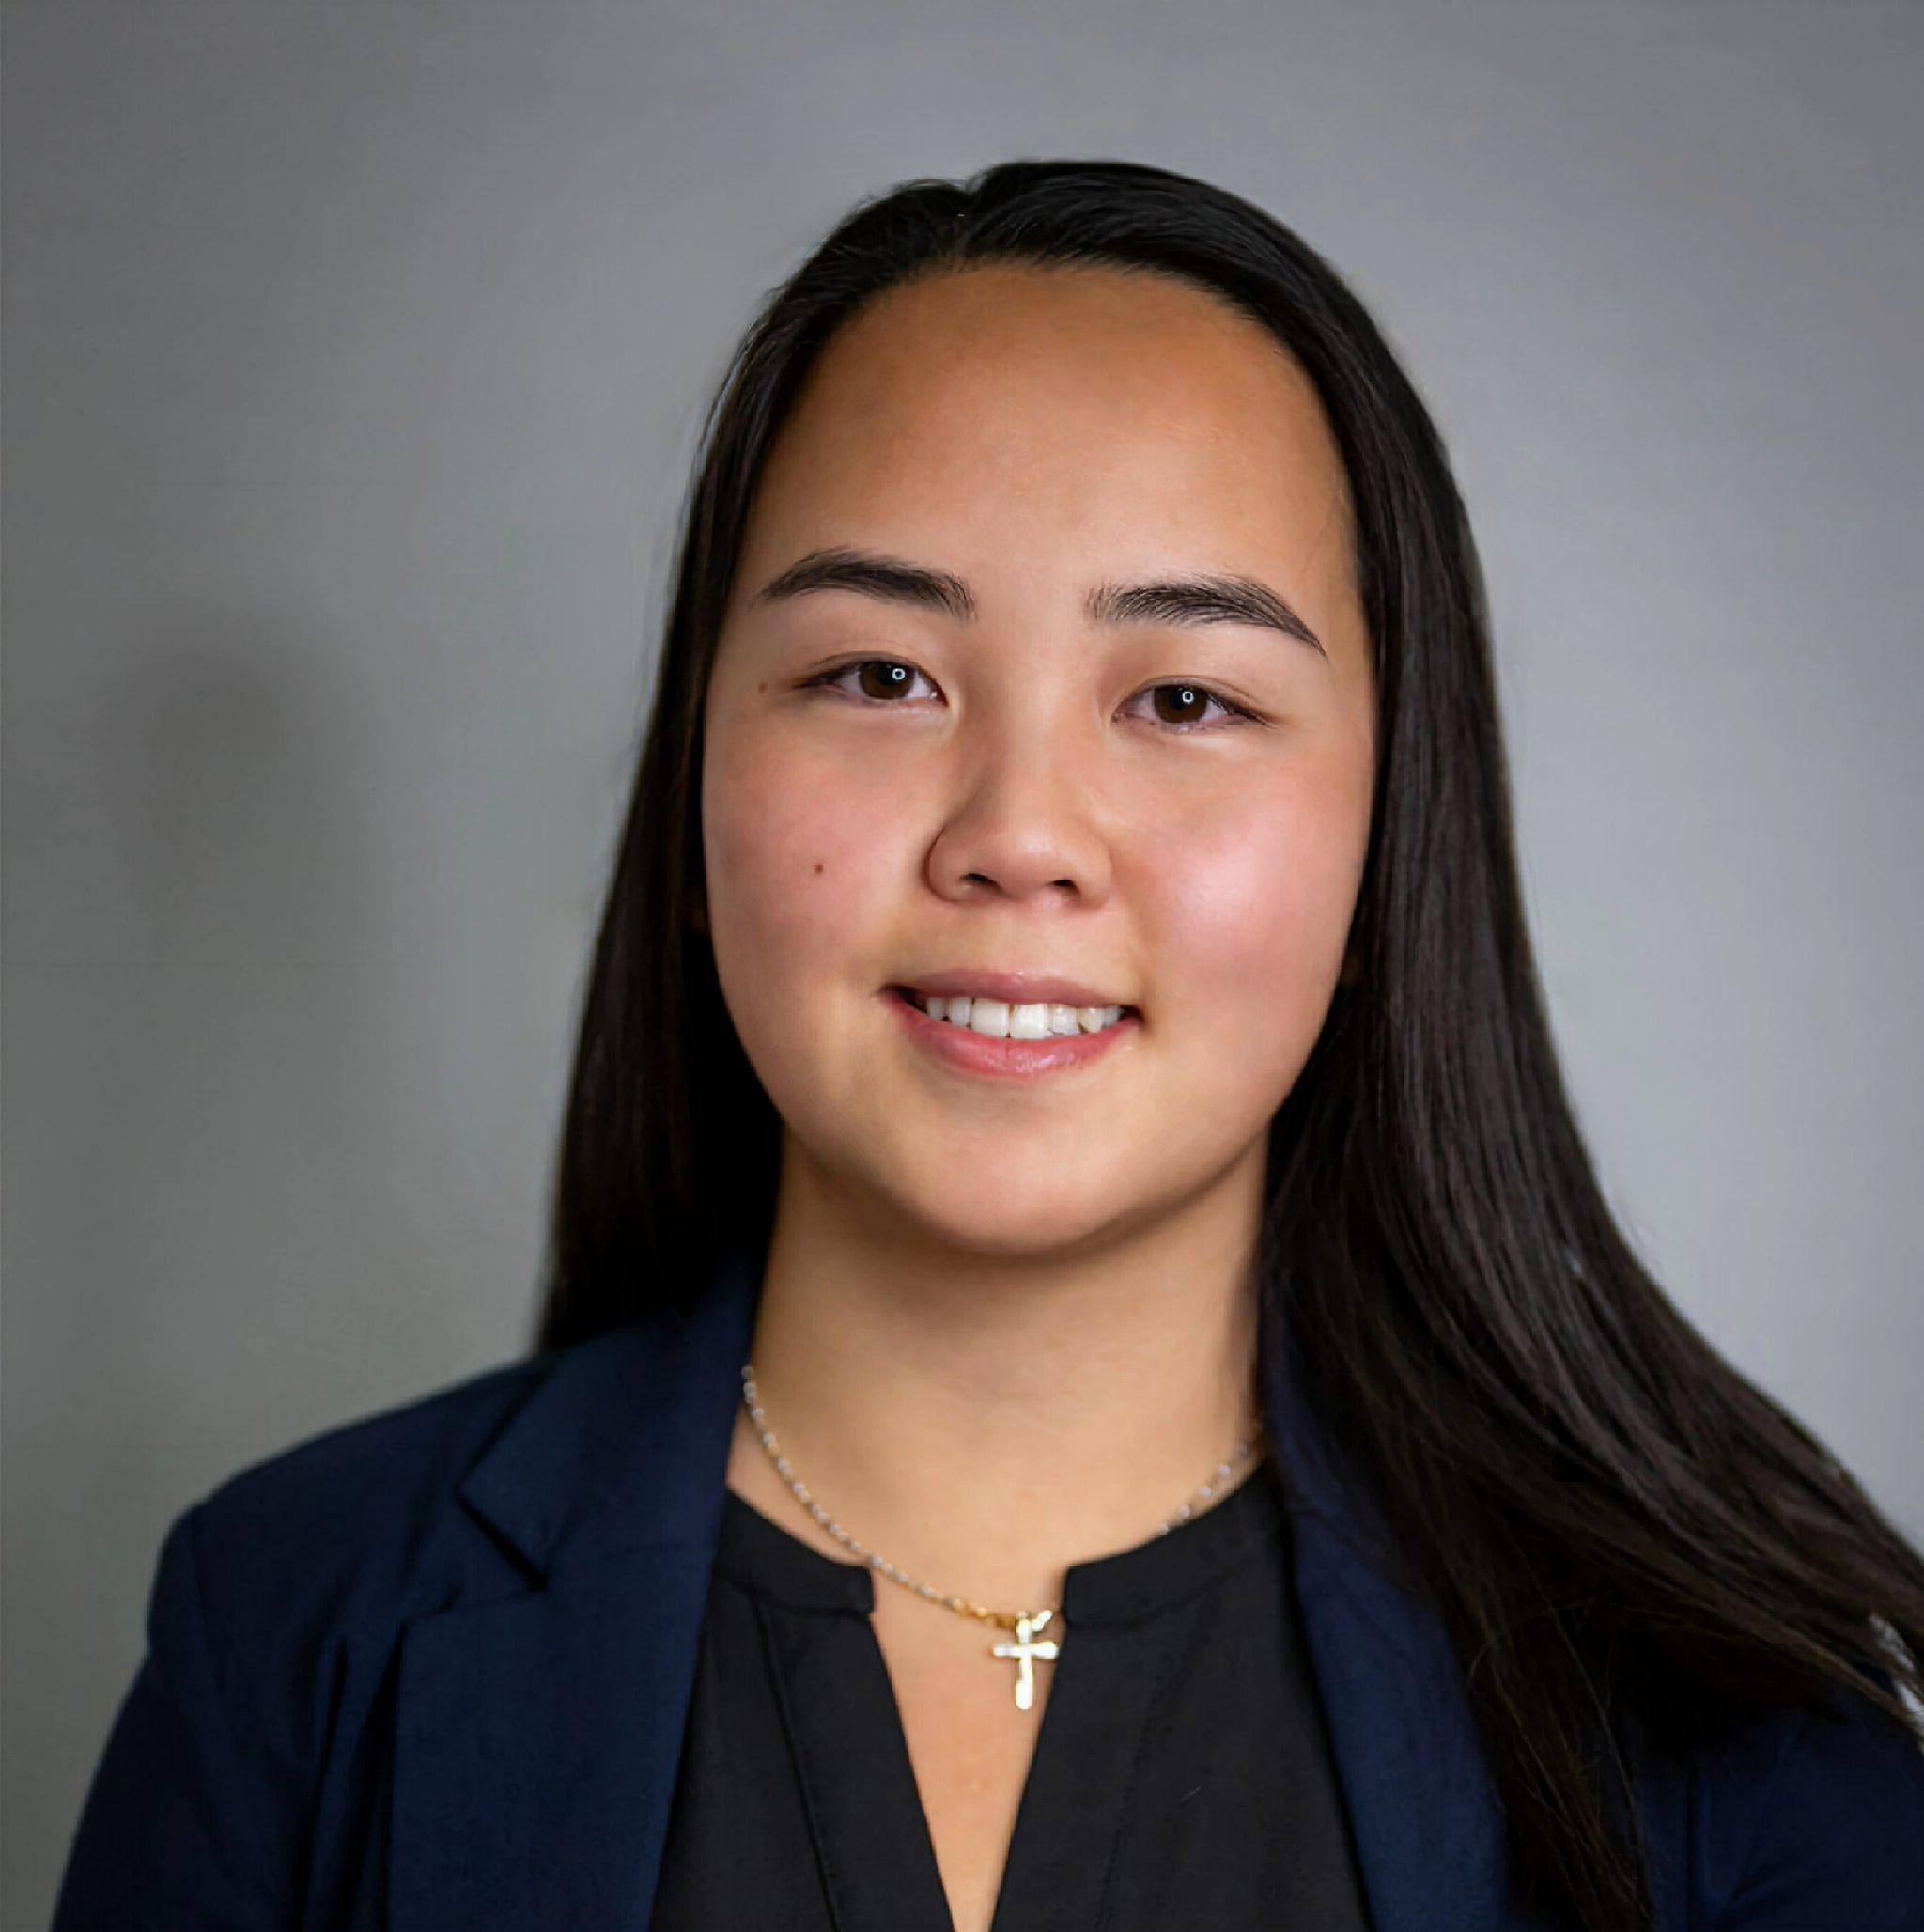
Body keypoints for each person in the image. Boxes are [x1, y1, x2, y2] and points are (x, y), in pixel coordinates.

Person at [51, 158, 1924, 1932]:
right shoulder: (295, 1634)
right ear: (695, 788)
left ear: (1391, 833)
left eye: (1184, 695)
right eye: (879, 676)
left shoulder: (1742, 1756)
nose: (1017, 830)